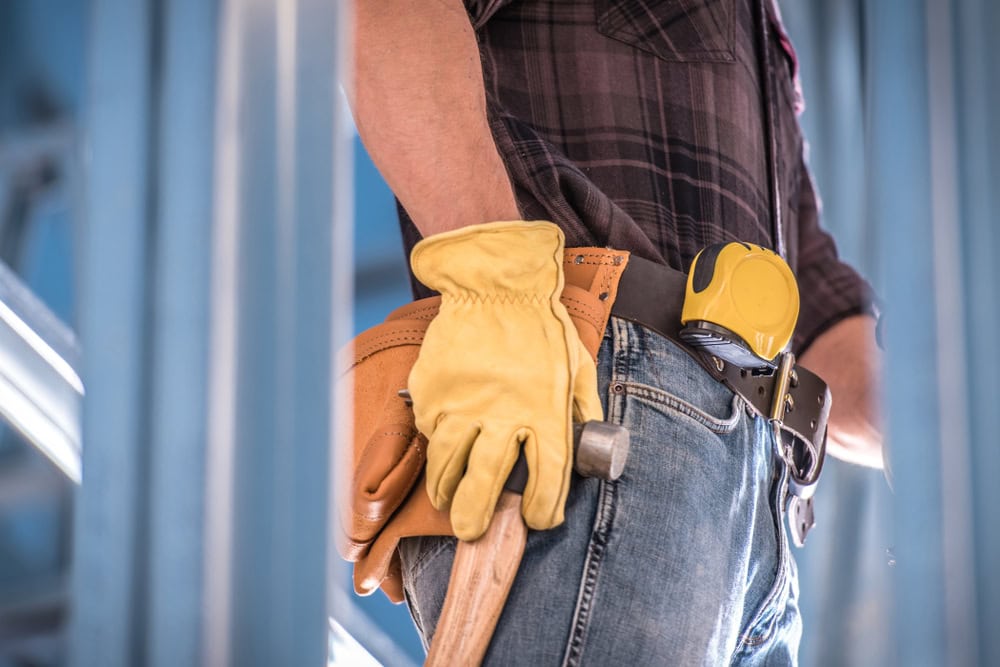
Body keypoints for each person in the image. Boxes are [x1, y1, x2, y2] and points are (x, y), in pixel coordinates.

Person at [348, 0, 884, 663]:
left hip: (758, 500)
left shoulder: (761, 32)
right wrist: (497, 289)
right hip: (589, 397)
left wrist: (942, 439)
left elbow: (816, 295)